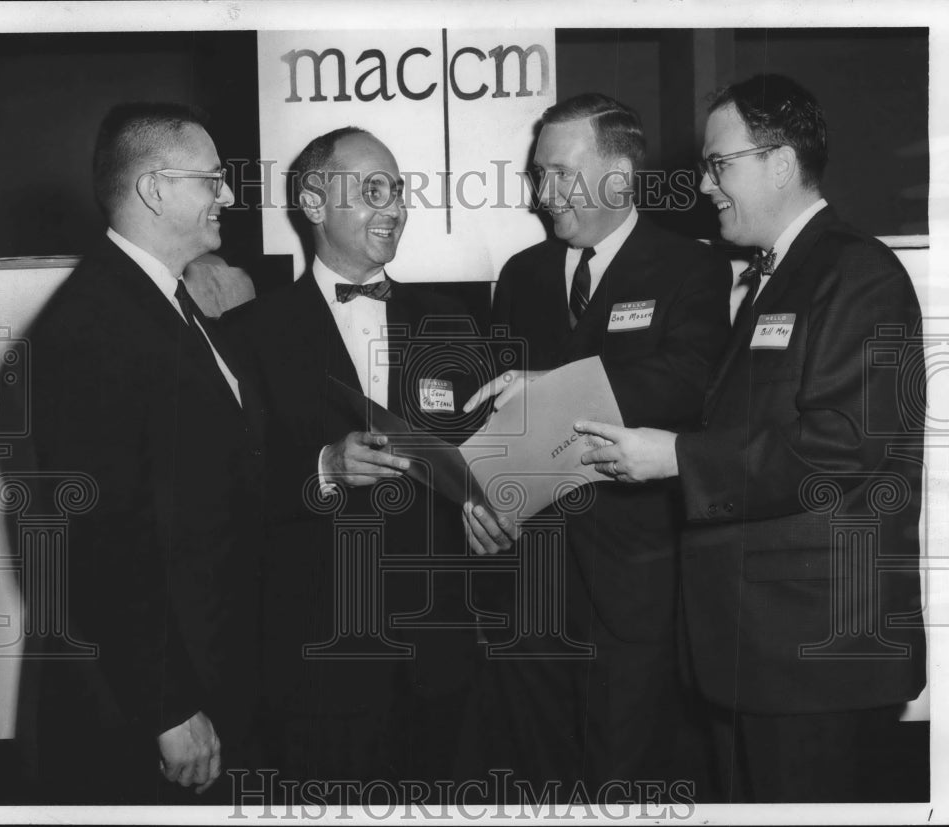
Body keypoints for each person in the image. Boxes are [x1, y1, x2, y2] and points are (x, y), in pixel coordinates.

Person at [576, 74, 927, 802]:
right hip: (759, 652)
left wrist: (672, 455)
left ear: (779, 161)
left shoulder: (858, 273)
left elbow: (841, 446)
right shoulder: (782, 277)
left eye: (718, 163)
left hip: (813, 657)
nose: (704, 186)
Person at [462, 94, 732, 798]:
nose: (543, 195)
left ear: (620, 174)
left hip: (632, 586)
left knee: (624, 778)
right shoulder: (521, 276)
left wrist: (552, 385)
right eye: (537, 175)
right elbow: (496, 418)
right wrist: (475, 497)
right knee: (538, 775)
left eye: (559, 174)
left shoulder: (688, 269)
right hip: (530, 584)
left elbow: (688, 381)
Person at [231, 127, 485, 800]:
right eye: (373, 190)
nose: (395, 208)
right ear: (313, 203)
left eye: (398, 192)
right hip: (319, 663)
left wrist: (496, 508)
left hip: (443, 657)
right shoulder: (247, 336)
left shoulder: (454, 324)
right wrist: (322, 468)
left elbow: (487, 464)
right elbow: (227, 491)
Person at [25, 102, 265, 803]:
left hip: (209, 671)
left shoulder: (161, 301)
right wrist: (169, 706)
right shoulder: (92, 323)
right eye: (211, 180)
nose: (226, 194)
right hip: (155, 707)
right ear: (156, 189)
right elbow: (103, 538)